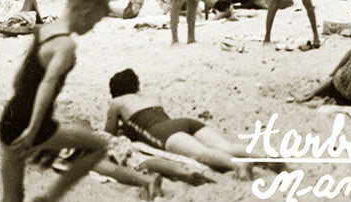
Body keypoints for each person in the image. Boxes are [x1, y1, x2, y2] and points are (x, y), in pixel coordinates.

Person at [0, 0, 111, 202]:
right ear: (84, 10)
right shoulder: (66, 45)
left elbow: (20, 79)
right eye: (95, 21)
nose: (92, 28)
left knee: (12, 200)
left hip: (10, 120)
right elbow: (48, 83)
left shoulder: (45, 30)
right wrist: (35, 130)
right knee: (99, 146)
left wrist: (33, 127)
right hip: (30, 127)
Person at [106, 69, 257, 178]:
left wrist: (123, 129)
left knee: (201, 153)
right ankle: (266, 158)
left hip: (160, 131)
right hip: (181, 122)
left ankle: (237, 165)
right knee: (227, 147)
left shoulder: (117, 102)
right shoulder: (152, 96)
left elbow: (108, 134)